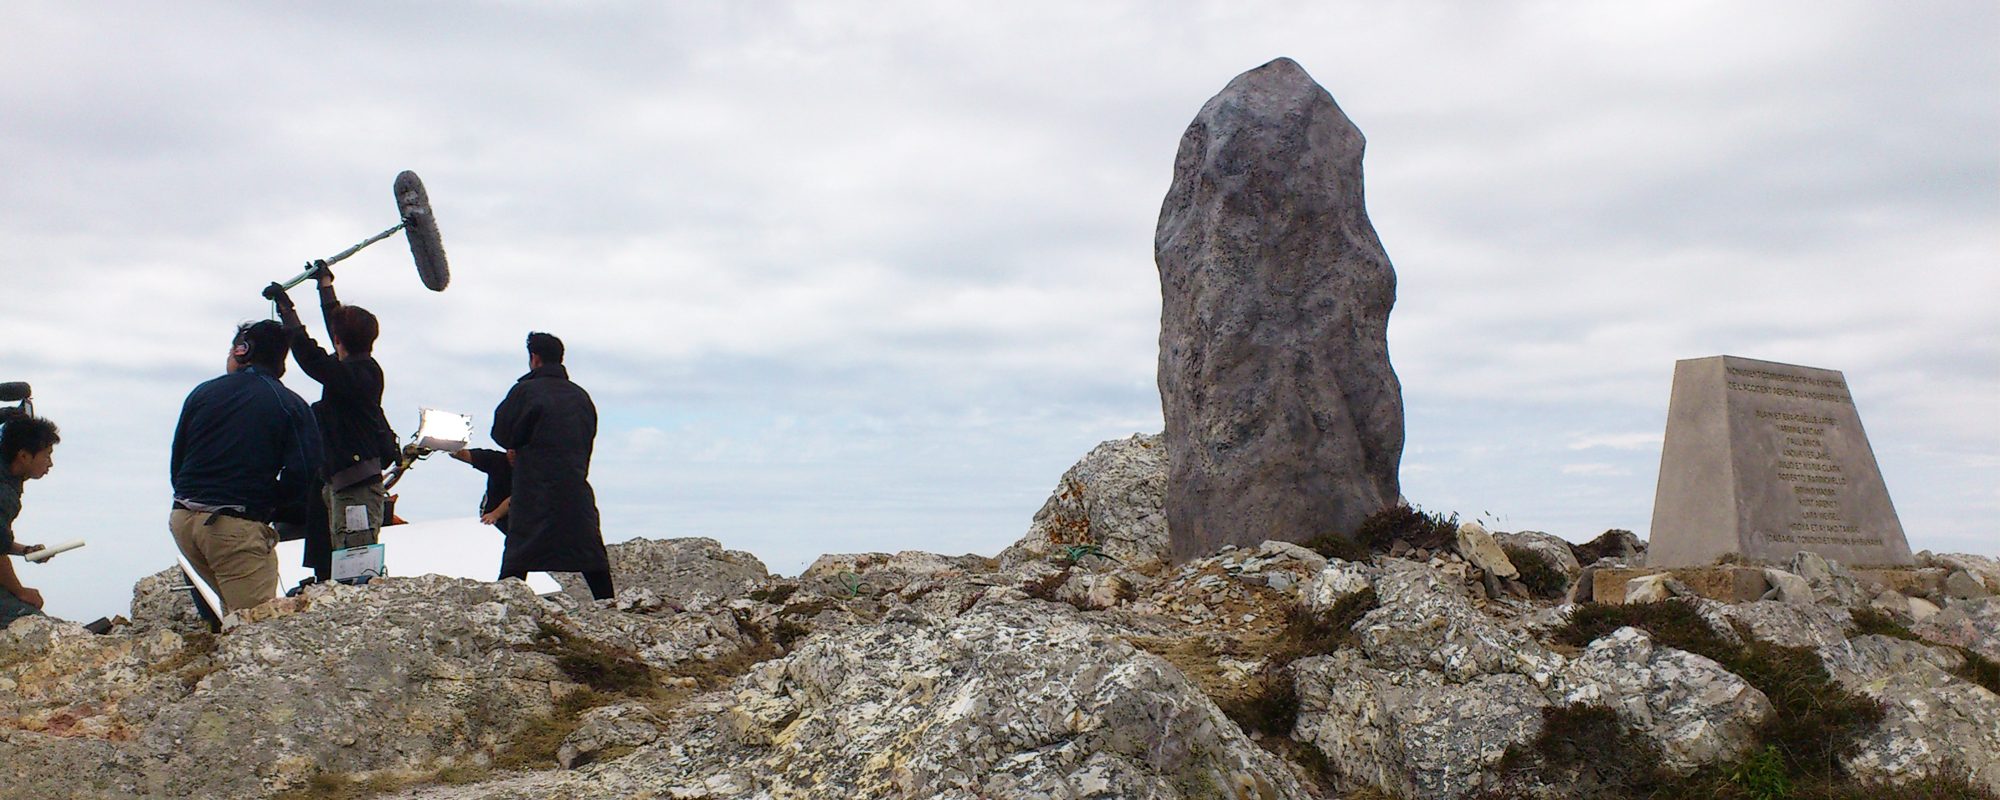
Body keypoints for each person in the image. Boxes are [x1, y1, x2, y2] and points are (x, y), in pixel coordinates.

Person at [170, 320, 322, 614]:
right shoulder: (289, 403)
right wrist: (270, 507)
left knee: (235, 614)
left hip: (182, 520)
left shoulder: (202, 393)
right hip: (235, 525)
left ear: (243, 351)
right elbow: (305, 473)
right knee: (257, 626)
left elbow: (178, 461)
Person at [264, 265, 398, 580]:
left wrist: (287, 310)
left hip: (355, 488)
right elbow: (335, 331)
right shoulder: (360, 367)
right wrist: (325, 286)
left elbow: (309, 355)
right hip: (343, 481)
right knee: (337, 559)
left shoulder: (352, 376)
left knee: (355, 567)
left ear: (339, 340)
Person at [491, 332, 613, 600]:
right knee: (590, 554)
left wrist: (517, 446)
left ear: (534, 359)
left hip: (534, 490)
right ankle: (609, 607)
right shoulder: (581, 396)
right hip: (574, 489)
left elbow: (501, 433)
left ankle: (504, 610)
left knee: (518, 556)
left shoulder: (525, 391)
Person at [1, 417, 60, 626]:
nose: (50, 463)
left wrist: (26, 550)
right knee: (30, 624)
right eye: (47, 456)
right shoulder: (3, 492)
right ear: (24, 456)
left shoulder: (9, 476)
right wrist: (21, 592)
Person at [448, 447, 513, 533]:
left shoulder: (531, 469)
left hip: (523, 515)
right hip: (493, 516)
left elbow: (519, 496)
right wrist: (449, 446)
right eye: (512, 451)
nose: (514, 455)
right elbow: (460, 454)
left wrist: (495, 514)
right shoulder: (496, 459)